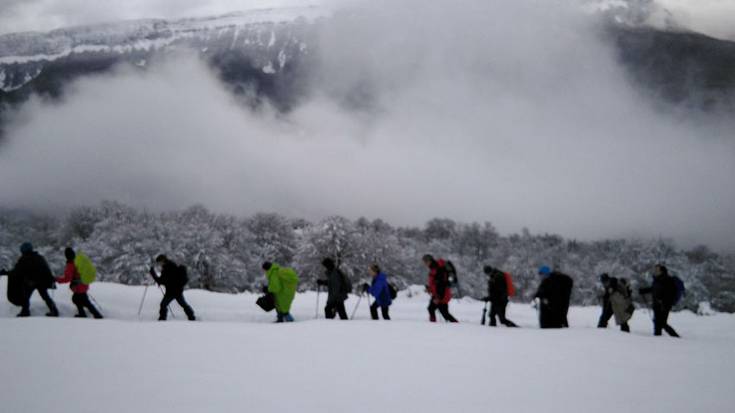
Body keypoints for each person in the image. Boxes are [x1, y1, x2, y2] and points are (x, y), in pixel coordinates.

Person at [2, 243, 59, 317]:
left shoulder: (24, 259)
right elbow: (46, 269)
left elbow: (17, 271)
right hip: (41, 281)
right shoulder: (39, 257)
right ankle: (54, 311)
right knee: (45, 296)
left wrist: (6, 273)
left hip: (30, 282)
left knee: (26, 296)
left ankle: (25, 312)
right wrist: (50, 279)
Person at [55, 247, 103, 319]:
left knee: (81, 300)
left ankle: (96, 315)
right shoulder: (78, 260)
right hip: (84, 283)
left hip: (78, 285)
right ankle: (85, 314)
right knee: (79, 299)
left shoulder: (71, 264)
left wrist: (57, 279)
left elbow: (67, 278)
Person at [149, 255, 196, 321]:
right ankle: (192, 317)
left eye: (159, 262)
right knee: (183, 304)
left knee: (163, 304)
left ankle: (162, 319)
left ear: (162, 260)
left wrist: (153, 274)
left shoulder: (167, 268)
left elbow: (162, 280)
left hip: (171, 292)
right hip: (177, 290)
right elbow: (165, 280)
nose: (159, 264)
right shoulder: (170, 265)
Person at [639, 264, 680, 337]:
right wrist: (644, 291)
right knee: (657, 322)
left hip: (664, 305)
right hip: (657, 304)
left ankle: (675, 337)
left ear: (662, 271)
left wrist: (663, 301)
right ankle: (658, 338)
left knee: (662, 323)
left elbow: (670, 293)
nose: (655, 271)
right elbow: (654, 289)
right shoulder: (657, 280)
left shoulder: (667, 280)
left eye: (657, 270)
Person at [422, 255, 458, 323]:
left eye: (425, 262)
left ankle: (456, 325)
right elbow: (435, 284)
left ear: (429, 261)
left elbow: (441, 284)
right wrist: (429, 289)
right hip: (438, 294)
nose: (425, 264)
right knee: (435, 310)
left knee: (441, 312)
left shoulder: (438, 269)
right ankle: (454, 324)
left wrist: (438, 297)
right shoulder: (433, 269)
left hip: (442, 294)